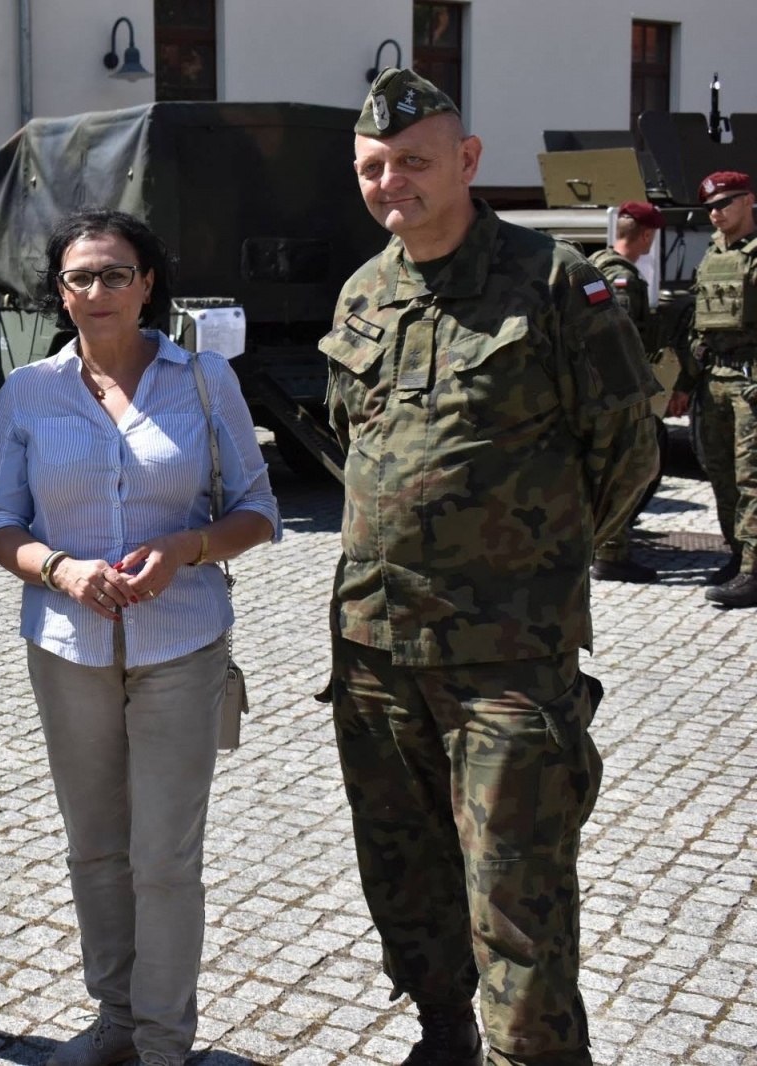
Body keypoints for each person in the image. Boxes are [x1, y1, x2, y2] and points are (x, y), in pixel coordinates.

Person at [318, 69, 658, 1066]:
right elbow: (354, 445)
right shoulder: (363, 288)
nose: (392, 183)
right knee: (403, 876)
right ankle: (442, 1033)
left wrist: (529, 563)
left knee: (517, 895)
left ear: (467, 162)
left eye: (414, 161)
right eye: (373, 167)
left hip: (507, 657)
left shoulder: (554, 282)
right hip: (375, 646)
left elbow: (626, 448)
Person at [0, 208, 278, 1066]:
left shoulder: (202, 379)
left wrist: (188, 546)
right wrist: (60, 570)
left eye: (116, 274)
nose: (97, 291)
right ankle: (113, 1020)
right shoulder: (27, 390)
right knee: (96, 848)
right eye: (80, 277)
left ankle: (162, 1041)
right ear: (60, 293)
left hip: (181, 642)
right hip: (67, 648)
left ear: (149, 284)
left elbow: (257, 510)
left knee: (165, 856)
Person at [682, 171, 757, 608]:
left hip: (750, 382)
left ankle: (753, 570)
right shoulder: (712, 253)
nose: (716, 212)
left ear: (749, 201)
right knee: (721, 473)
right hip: (714, 382)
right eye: (711, 206)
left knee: (752, 479)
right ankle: (737, 554)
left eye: (726, 203)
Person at [588, 200, 668, 584]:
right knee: (623, 467)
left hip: (600, 391)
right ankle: (611, 552)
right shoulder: (621, 277)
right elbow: (616, 340)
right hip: (617, 392)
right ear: (647, 235)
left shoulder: (595, 264)